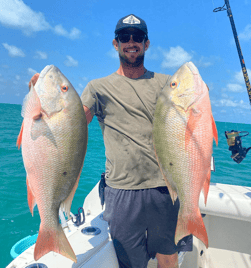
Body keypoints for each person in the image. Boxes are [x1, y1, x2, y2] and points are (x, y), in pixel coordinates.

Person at [30, 14, 192, 268]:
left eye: (137, 37)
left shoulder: (166, 84)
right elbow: (73, 122)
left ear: (146, 44)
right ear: (115, 44)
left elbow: (186, 123)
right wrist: (42, 102)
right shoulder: (98, 87)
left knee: (169, 258)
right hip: (122, 192)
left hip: (165, 187)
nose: (131, 42)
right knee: (130, 263)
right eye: (124, 37)